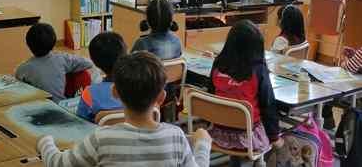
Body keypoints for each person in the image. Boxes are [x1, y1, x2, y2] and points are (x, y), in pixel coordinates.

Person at [37, 51, 212, 167]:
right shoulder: (175, 137)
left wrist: (45, 142)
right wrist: (202, 144)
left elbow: (58, 163)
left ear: (115, 92)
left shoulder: (102, 138)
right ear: (161, 97)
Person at [208, 20, 280, 165]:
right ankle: (258, 163)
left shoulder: (218, 64)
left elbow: (211, 94)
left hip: (219, 132)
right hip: (248, 137)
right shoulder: (258, 70)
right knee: (277, 140)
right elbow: (268, 105)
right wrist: (274, 136)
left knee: (237, 116)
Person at [16, 23, 93, 102]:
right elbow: (88, 63)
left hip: (37, 109)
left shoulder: (22, 69)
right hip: (62, 107)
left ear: (28, 43)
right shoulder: (62, 58)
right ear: (54, 42)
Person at [76, 32, 126, 122]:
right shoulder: (141, 86)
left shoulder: (90, 92)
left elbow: (80, 123)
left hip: (103, 135)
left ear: (94, 62)